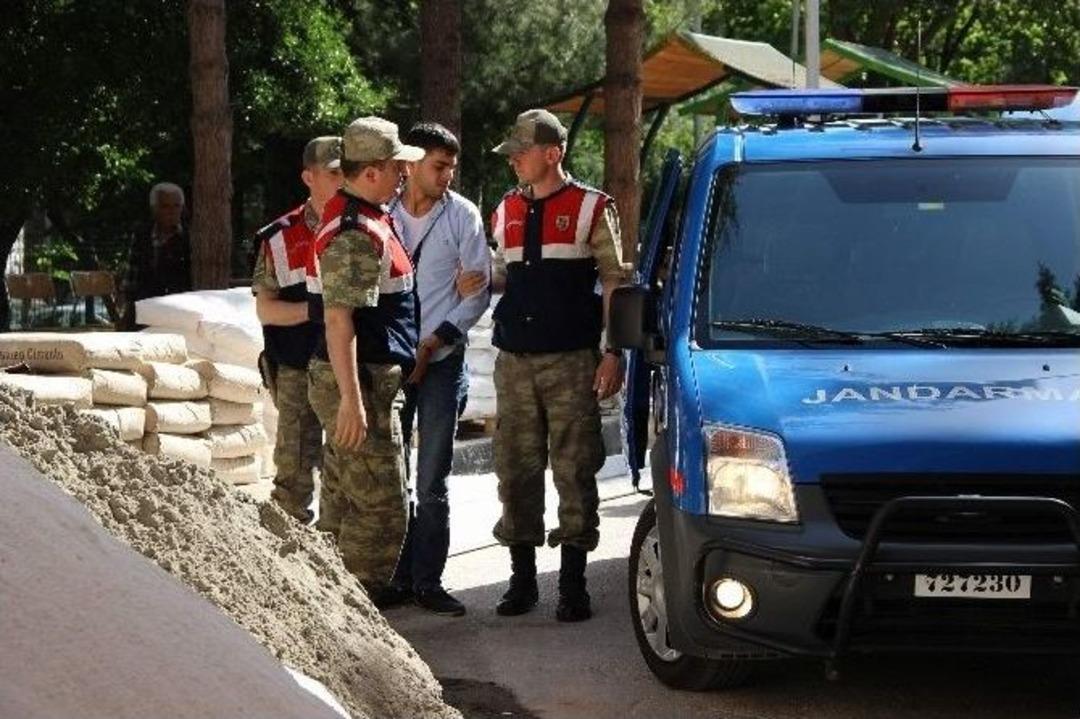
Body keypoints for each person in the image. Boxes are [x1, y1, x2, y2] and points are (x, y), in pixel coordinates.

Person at [488, 109, 625, 622]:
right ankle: (522, 582)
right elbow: (502, 275)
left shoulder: (593, 207)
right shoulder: (505, 208)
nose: (514, 161)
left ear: (553, 153)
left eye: (522, 152)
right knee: (514, 471)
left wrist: (614, 351)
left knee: (574, 469)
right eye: (512, 154)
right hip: (515, 361)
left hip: (571, 360)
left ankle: (572, 585)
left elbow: (614, 282)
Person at [304, 116, 423, 606]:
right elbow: (339, 321)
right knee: (380, 511)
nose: (404, 175)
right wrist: (352, 402)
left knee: (343, 501)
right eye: (397, 167)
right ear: (372, 172)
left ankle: (324, 609)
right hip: (360, 384)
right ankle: (351, 613)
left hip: (365, 381)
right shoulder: (354, 230)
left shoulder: (369, 217)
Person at [386, 123, 491, 616]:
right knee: (391, 475)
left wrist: (437, 340)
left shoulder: (462, 215)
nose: (447, 175)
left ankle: (428, 581)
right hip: (391, 361)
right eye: (439, 166)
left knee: (431, 480)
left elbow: (478, 293)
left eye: (452, 167)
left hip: (442, 361)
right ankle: (394, 576)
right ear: (410, 164)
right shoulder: (384, 213)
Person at [251, 136, 342, 525]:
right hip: (296, 368)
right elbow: (266, 310)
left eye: (349, 172)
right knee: (292, 475)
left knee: (345, 475)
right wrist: (319, 311)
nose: (343, 180)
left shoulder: (366, 226)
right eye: (334, 173)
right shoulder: (279, 236)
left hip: (347, 369)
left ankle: (336, 551)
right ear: (309, 177)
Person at [122, 182, 192, 327]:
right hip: (147, 307)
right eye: (165, 206)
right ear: (154, 209)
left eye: (176, 206)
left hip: (180, 307)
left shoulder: (190, 236)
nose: (172, 211)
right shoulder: (142, 235)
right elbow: (131, 277)